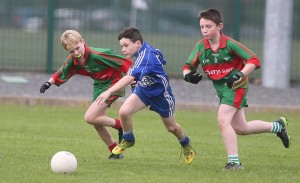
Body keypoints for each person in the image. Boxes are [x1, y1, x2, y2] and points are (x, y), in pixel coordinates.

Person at [182, 8, 291, 170]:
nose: (204, 30)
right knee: (241, 128)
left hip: (236, 87)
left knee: (222, 120)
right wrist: (188, 76)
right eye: (202, 27)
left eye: (208, 26)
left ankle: (234, 162)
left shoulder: (230, 44)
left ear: (219, 26)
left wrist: (239, 75)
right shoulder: (200, 47)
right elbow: (187, 66)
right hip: (222, 90)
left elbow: (253, 60)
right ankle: (277, 126)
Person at [96, 27, 195, 164]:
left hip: (161, 95)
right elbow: (159, 55)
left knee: (171, 128)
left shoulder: (146, 57)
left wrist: (109, 91)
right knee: (124, 112)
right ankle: (128, 139)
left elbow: (129, 77)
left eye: (126, 45)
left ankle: (186, 143)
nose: (123, 49)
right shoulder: (145, 50)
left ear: (137, 43)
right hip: (143, 91)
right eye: (121, 46)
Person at [39, 30, 133, 159]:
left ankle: (120, 126)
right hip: (99, 85)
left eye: (77, 48)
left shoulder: (98, 55)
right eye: (72, 51)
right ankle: (115, 152)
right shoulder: (74, 59)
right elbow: (63, 70)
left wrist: (136, 78)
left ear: (83, 42)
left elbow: (125, 64)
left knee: (89, 117)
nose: (76, 53)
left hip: (113, 83)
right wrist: (48, 83)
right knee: (96, 123)